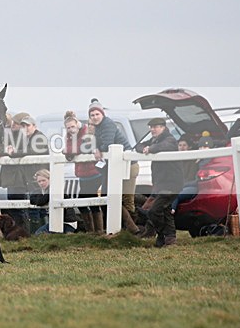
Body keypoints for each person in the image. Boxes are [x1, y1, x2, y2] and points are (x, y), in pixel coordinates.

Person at [87, 99, 141, 233]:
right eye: (92, 115)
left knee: (126, 198)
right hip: (115, 166)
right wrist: (95, 147)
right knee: (111, 195)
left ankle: (133, 230)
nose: (94, 117)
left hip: (127, 165)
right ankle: (129, 229)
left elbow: (107, 144)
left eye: (97, 114)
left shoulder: (107, 125)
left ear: (102, 114)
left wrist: (98, 148)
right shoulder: (98, 128)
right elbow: (93, 144)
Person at [136, 118, 183, 247]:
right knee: (166, 211)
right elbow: (138, 146)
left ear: (163, 127)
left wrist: (150, 148)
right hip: (162, 183)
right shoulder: (155, 140)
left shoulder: (170, 139)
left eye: (155, 127)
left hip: (171, 183)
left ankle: (162, 235)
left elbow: (165, 146)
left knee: (154, 211)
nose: (152, 129)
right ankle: (170, 239)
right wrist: (146, 148)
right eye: (151, 127)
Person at [6, 115, 49, 234]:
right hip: (35, 177)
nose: (25, 128)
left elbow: (31, 151)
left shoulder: (39, 137)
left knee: (39, 206)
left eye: (28, 126)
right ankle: (38, 232)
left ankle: (40, 232)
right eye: (23, 126)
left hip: (40, 177)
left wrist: (14, 153)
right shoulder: (29, 138)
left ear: (34, 126)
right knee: (36, 204)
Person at [62, 111, 100, 232]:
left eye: (72, 126)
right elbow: (68, 149)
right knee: (87, 201)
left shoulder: (86, 131)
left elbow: (83, 147)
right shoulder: (69, 135)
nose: (71, 129)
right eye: (68, 127)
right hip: (82, 173)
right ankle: (94, 231)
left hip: (93, 172)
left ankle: (95, 230)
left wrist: (70, 151)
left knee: (86, 201)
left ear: (77, 124)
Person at [29, 169, 77, 235]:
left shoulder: (55, 189)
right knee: (39, 233)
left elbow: (41, 201)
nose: (41, 183)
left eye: (43, 180)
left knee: (39, 233)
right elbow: (32, 200)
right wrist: (39, 200)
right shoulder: (41, 191)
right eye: (39, 181)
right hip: (54, 222)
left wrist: (40, 200)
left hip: (67, 223)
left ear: (49, 179)